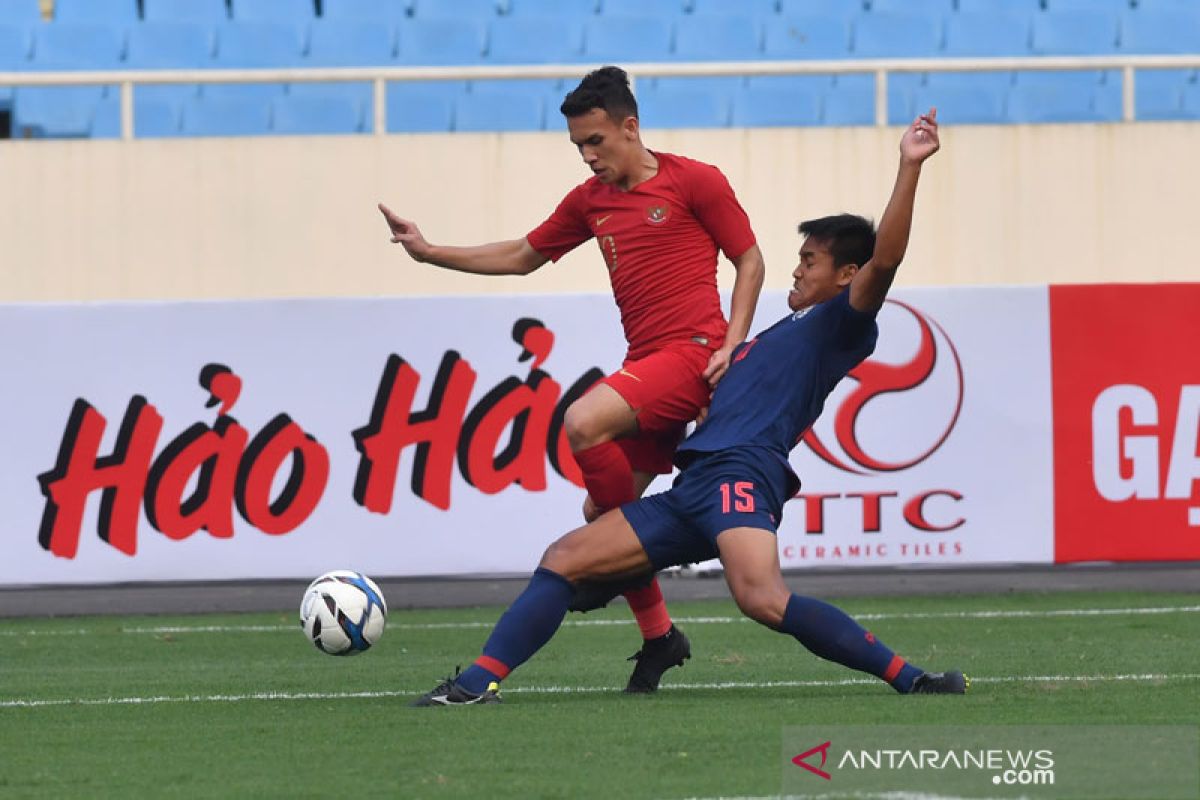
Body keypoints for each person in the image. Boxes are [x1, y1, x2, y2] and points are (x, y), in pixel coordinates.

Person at [413, 108, 969, 706]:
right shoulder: (762, 340)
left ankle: (910, 677)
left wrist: (909, 167)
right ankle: (476, 684)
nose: (797, 267)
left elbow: (885, 259)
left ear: (847, 275)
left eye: (810, 260)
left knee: (760, 598)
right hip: (691, 484)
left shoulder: (841, 325)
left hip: (741, 474)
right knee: (566, 555)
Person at [379, 66, 766, 693]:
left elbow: (749, 258)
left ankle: (627, 582)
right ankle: (660, 636)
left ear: (630, 127)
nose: (588, 157)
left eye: (596, 142)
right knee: (600, 518)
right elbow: (523, 256)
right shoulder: (591, 202)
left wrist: (730, 345)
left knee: (583, 421)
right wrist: (430, 251)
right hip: (647, 366)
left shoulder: (696, 180)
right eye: (578, 147)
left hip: (693, 355)